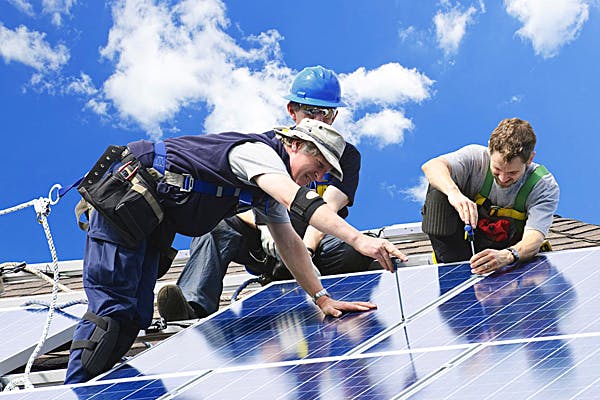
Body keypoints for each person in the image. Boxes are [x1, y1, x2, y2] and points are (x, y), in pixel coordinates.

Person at [65, 117, 407, 383]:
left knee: (136, 317)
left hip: (147, 222)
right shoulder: (257, 154)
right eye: (317, 168)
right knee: (112, 313)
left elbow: (289, 243)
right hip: (124, 200)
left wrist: (321, 298)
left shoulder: (263, 191)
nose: (316, 178)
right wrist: (360, 240)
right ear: (296, 145)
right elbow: (297, 200)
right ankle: (75, 390)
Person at [157, 66, 375, 322]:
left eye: (325, 113)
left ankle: (308, 279)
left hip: (313, 239)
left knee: (357, 248)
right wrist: (265, 227)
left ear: (334, 116)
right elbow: (247, 198)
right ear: (292, 111)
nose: (318, 119)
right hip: (266, 239)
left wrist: (307, 248)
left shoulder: (344, 156)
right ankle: (192, 307)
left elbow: (329, 206)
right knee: (215, 227)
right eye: (310, 111)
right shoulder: (269, 148)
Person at [421, 117, 559, 274]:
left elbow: (534, 236)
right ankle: (454, 270)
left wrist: (508, 255)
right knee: (438, 189)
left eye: (512, 173)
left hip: (508, 258)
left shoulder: (542, 185)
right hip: (460, 252)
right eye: (497, 169)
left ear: (530, 159)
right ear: (489, 150)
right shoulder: (475, 158)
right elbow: (432, 166)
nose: (503, 178)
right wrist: (454, 194)